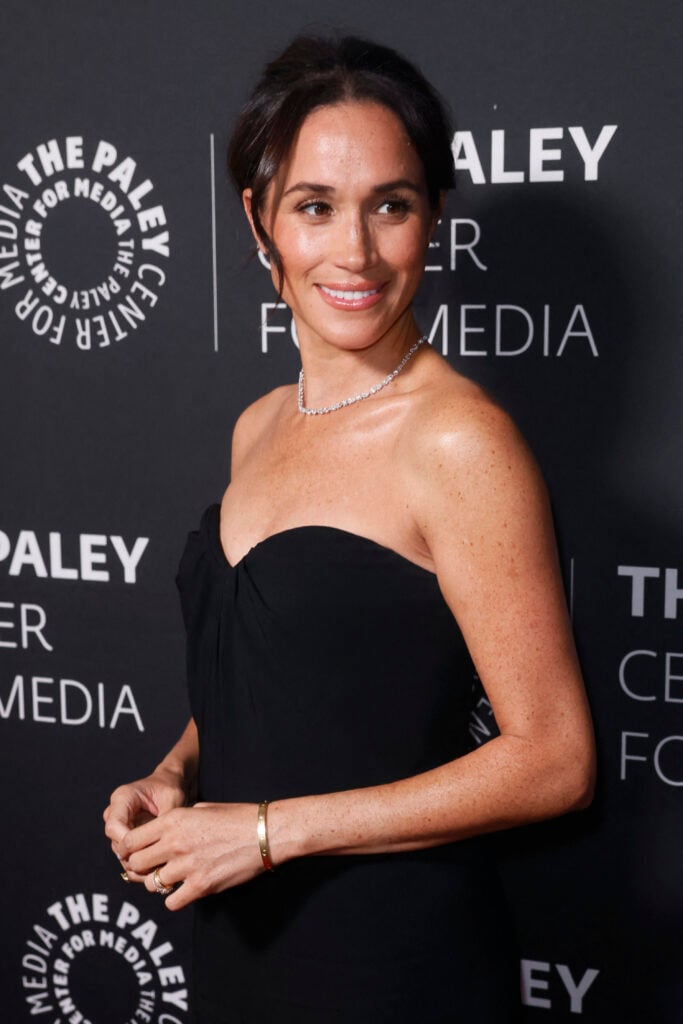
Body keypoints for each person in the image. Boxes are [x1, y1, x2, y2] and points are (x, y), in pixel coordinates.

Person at [104, 34, 595, 1023]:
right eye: (315, 206)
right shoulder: (258, 423)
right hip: (244, 939)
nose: (356, 252)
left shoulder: (456, 440)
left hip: (392, 961)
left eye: (391, 204)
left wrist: (269, 832)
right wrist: (176, 773)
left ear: (431, 219)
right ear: (259, 222)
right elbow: (283, 681)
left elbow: (553, 759)